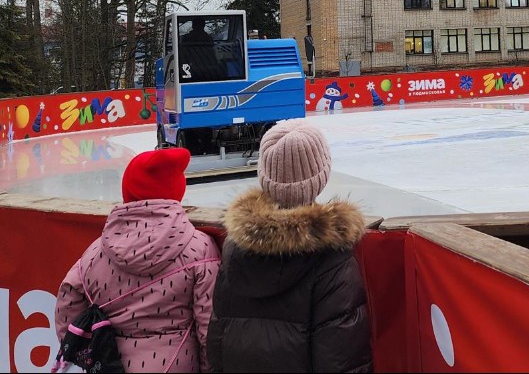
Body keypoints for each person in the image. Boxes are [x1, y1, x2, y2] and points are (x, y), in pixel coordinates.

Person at [208, 119, 372, 373]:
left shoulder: (234, 246)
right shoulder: (331, 259)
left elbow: (217, 338)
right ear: (321, 177)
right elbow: (342, 356)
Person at [55, 148, 221, 373]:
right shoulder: (200, 248)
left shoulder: (96, 252)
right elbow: (209, 328)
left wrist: (92, 355)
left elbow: (68, 300)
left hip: (113, 365)